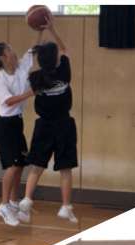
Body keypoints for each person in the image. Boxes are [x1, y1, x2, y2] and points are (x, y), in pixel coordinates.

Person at [18, 15, 79, 225]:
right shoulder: (64, 71)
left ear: (41, 60)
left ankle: (27, 200)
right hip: (63, 125)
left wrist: (40, 33)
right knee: (65, 169)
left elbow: (34, 57)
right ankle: (65, 207)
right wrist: (51, 29)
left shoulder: (35, 78)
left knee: (36, 166)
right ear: (56, 59)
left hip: (43, 125)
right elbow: (65, 49)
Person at [0, 36, 38, 227]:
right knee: (12, 166)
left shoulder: (21, 68)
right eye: (10, 50)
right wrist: (30, 92)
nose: (14, 52)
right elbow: (9, 101)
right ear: (3, 57)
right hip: (4, 128)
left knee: (20, 164)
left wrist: (42, 29)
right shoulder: (1, 78)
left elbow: (32, 50)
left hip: (16, 125)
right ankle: (3, 205)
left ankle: (13, 202)